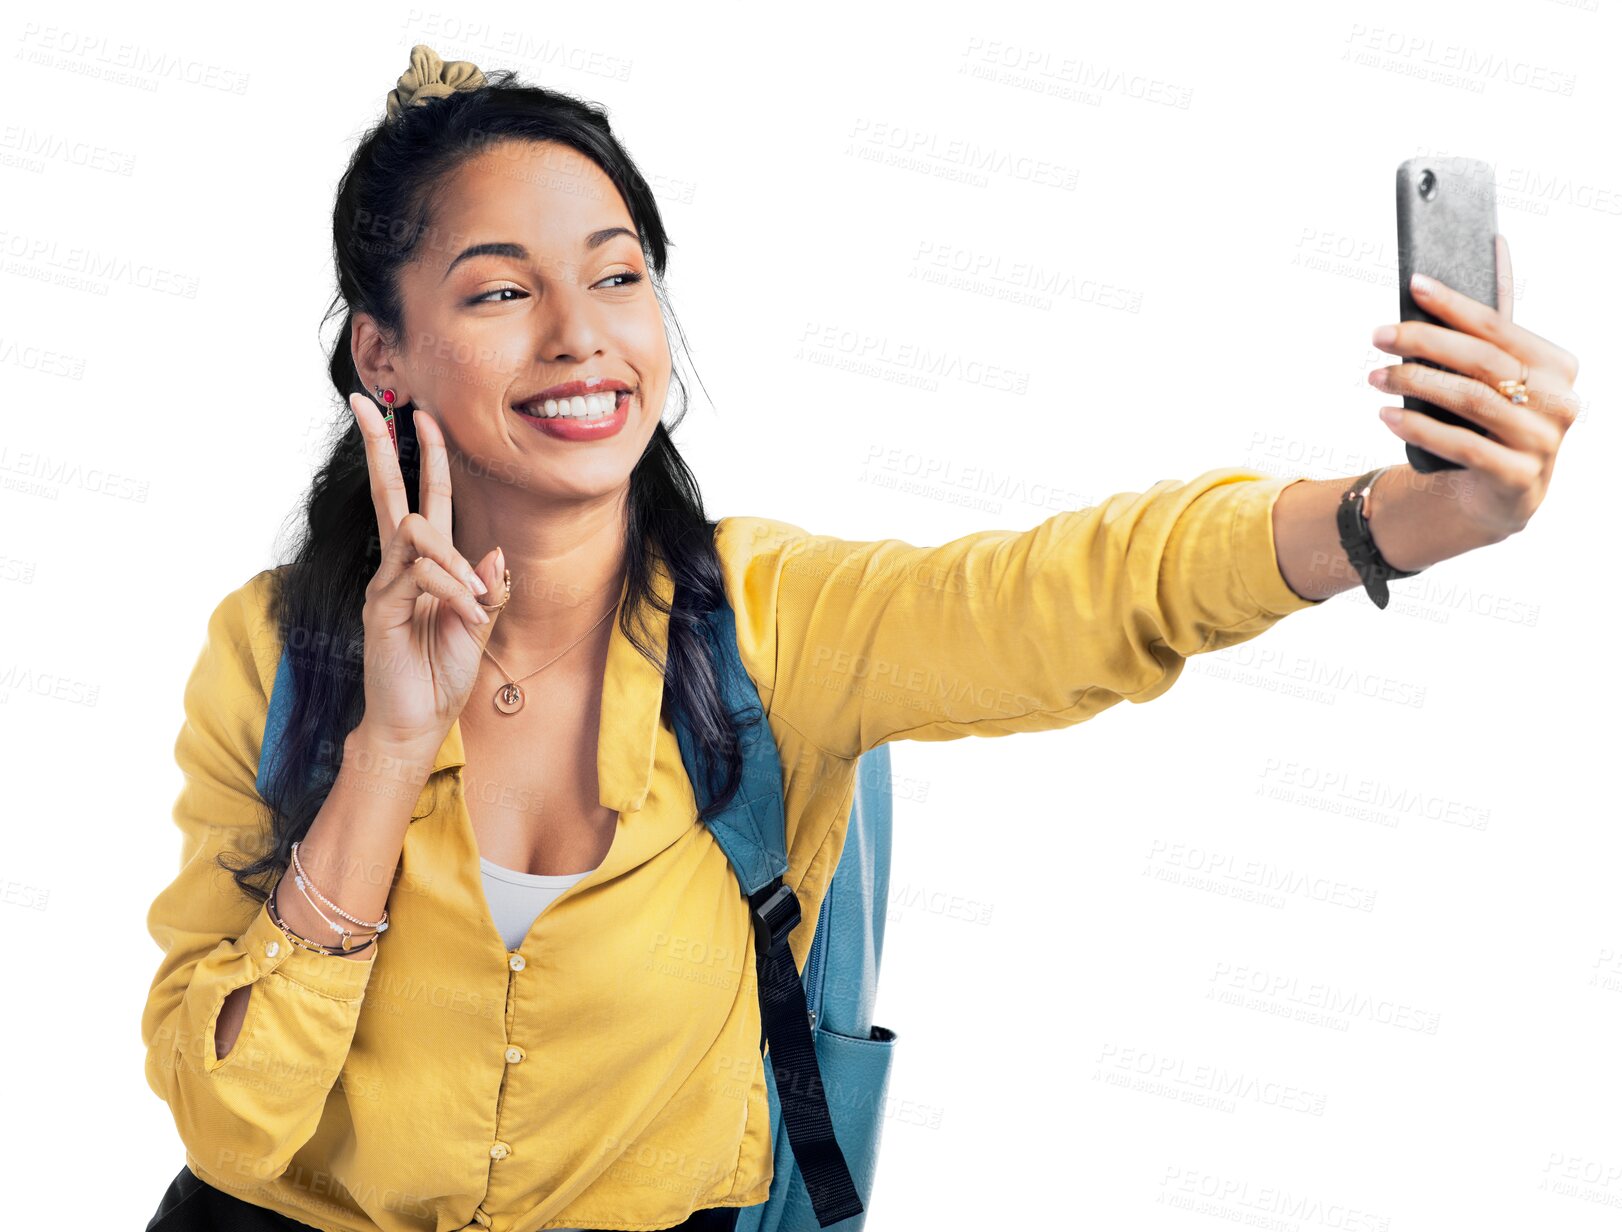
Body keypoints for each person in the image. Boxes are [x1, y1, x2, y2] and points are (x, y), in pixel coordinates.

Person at [140, 44, 1580, 1232]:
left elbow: (1077, 590)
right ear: (380, 354)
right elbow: (230, 1121)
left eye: (619, 272)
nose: (583, 336)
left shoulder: (775, 627)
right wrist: (388, 753)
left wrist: (1403, 518)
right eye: (503, 290)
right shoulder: (276, 652)